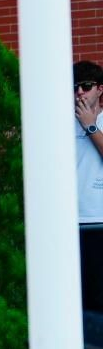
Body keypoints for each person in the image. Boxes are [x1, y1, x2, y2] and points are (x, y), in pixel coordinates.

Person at [77, 61, 103, 312]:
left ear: (100, 89)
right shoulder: (60, 124)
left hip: (98, 220)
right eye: (75, 87)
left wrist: (91, 126)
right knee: (76, 301)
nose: (80, 93)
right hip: (68, 223)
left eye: (86, 87)